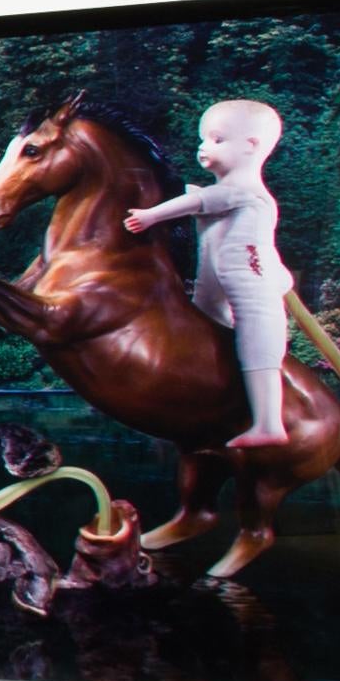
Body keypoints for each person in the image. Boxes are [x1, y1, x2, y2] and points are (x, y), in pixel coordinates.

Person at [125, 97, 297, 444]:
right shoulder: (225, 189)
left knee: (257, 337)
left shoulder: (246, 191)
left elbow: (198, 203)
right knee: (201, 326)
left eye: (217, 140)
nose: (204, 147)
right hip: (215, 276)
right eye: (203, 139)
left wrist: (151, 215)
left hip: (249, 275)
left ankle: (269, 423)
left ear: (251, 146)